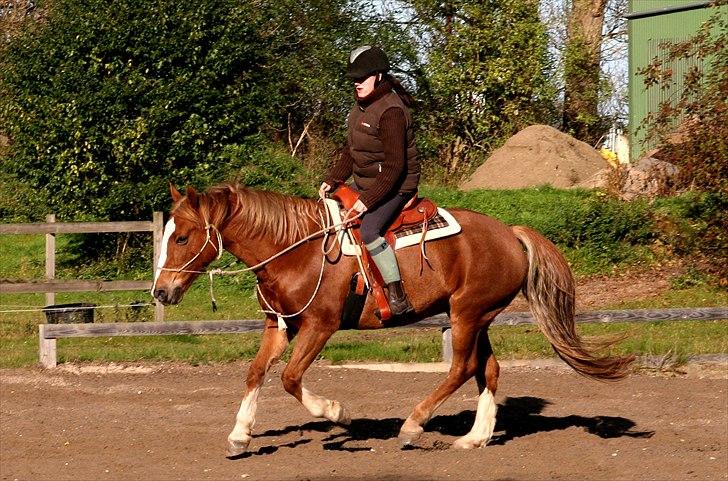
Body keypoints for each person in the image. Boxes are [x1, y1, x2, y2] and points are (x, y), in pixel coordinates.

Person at [319, 45, 420, 317]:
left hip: (397, 186)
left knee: (369, 230)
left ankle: (397, 296)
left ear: (377, 75)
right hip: (368, 184)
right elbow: (352, 151)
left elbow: (394, 167)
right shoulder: (359, 108)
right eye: (353, 78)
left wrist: (367, 201)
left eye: (361, 77)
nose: (356, 83)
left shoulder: (391, 112)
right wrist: (334, 179)